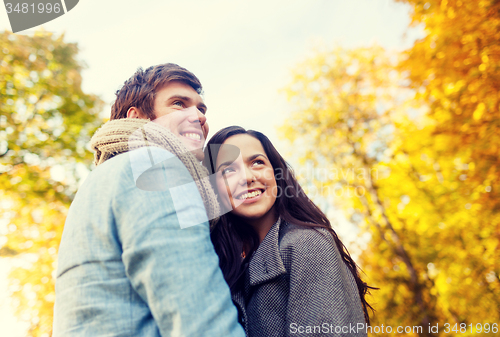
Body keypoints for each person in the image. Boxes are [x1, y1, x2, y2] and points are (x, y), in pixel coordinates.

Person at [53, 64, 245, 337]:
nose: (199, 116)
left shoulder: (104, 180)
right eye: (179, 104)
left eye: (201, 109)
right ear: (138, 116)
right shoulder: (153, 166)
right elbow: (199, 317)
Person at [203, 126, 373, 337]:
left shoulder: (307, 244)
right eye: (228, 170)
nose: (247, 177)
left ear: (276, 174)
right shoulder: (227, 262)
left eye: (257, 162)